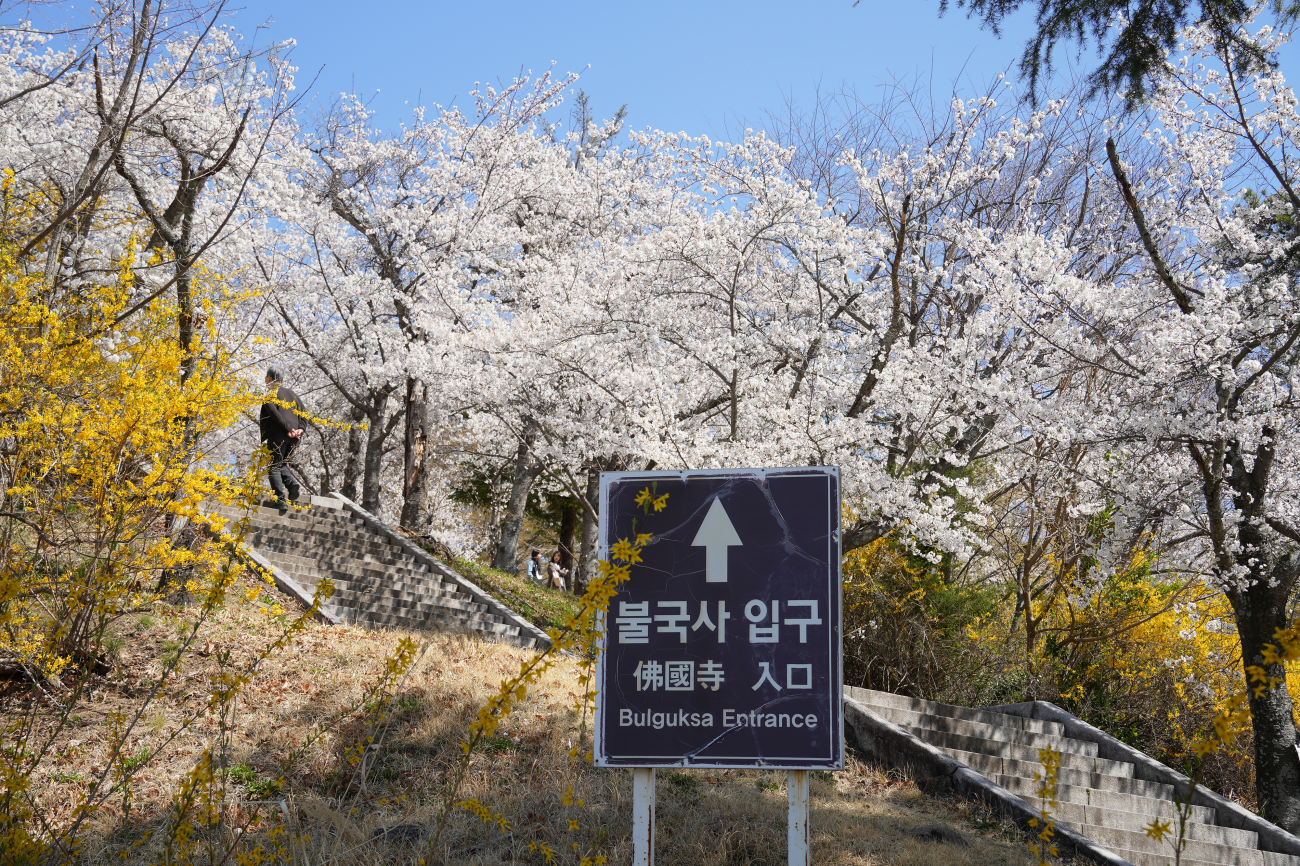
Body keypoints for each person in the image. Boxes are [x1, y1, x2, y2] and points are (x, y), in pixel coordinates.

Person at [259, 368, 307, 514]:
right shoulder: (294, 395)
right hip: (294, 438)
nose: (265, 380)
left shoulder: (269, 394)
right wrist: (300, 429)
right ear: (282, 380)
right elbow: (304, 414)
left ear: (271, 378)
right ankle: (292, 485)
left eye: (266, 377)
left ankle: (280, 501)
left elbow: (274, 414)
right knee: (281, 464)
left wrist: (287, 429)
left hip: (278, 434)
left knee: (273, 466)